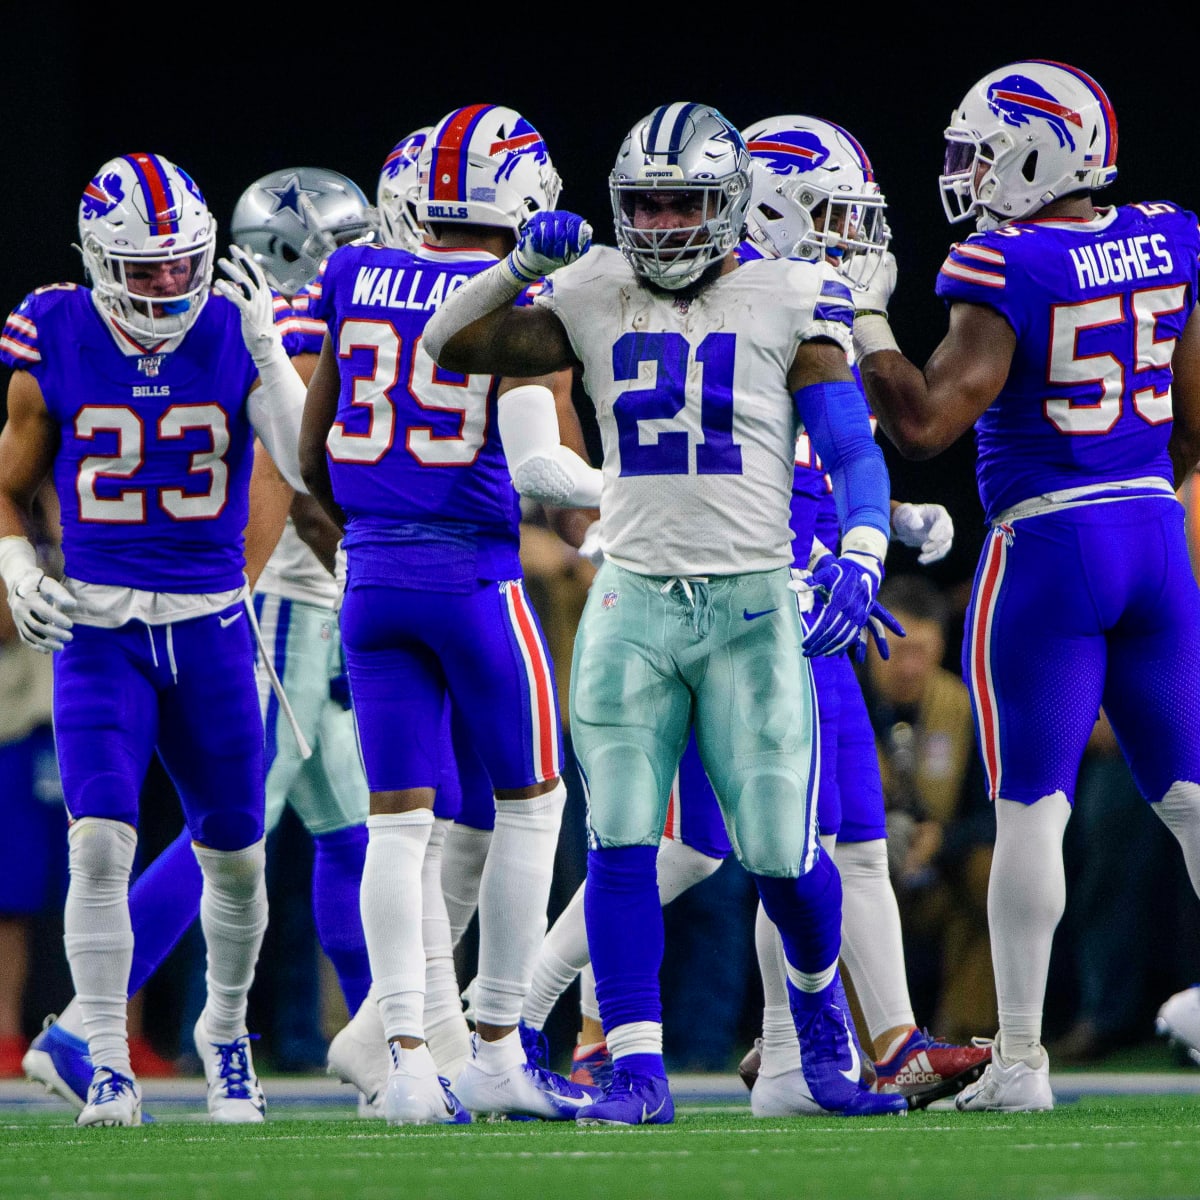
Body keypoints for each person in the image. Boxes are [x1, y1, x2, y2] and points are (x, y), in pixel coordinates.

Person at [424, 100, 909, 1124]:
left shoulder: (790, 296)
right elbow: (449, 344)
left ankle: (822, 1035)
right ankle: (637, 1070)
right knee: (624, 844)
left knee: (784, 851)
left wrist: (866, 544)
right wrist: (515, 267)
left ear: (728, 202)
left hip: (749, 608)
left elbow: (854, 447)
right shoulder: (594, 285)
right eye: (641, 204)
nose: (659, 224)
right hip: (633, 606)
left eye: (681, 202)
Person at [516, 114, 989, 1112]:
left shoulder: (792, 309)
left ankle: (816, 1046)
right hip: (729, 607)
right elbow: (706, 476)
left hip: (789, 598)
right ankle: (543, 1015)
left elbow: (808, 469)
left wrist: (881, 529)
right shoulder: (734, 305)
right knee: (712, 843)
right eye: (827, 214)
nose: (850, 237)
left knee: (817, 837)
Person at [850, 59, 1200, 1112]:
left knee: (1031, 814)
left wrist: (864, 319)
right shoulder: (1170, 237)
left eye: (985, 148)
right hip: (1151, 530)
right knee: (1190, 800)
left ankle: (1019, 1061)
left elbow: (922, 425)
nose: (969, 170)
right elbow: (1195, 423)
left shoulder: (1004, 263)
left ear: (1043, 150)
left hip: (1048, 548)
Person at [18, 164, 382, 1112]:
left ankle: (294, 1030)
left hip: (233, 623)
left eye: (181, 267)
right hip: (168, 621)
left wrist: (265, 350)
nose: (167, 289)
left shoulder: (245, 329)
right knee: (133, 839)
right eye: (146, 272)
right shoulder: (67, 327)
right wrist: (20, 571)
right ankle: (89, 1040)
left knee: (293, 839)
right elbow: (284, 495)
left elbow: (310, 464)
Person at [299, 103, 604, 1127]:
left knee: (399, 827)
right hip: (474, 577)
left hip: (372, 572)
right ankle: (499, 1045)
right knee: (533, 803)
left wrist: (373, 522)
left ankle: (406, 1064)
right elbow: (537, 471)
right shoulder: (532, 300)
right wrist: (636, 493)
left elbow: (311, 448)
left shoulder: (350, 274)